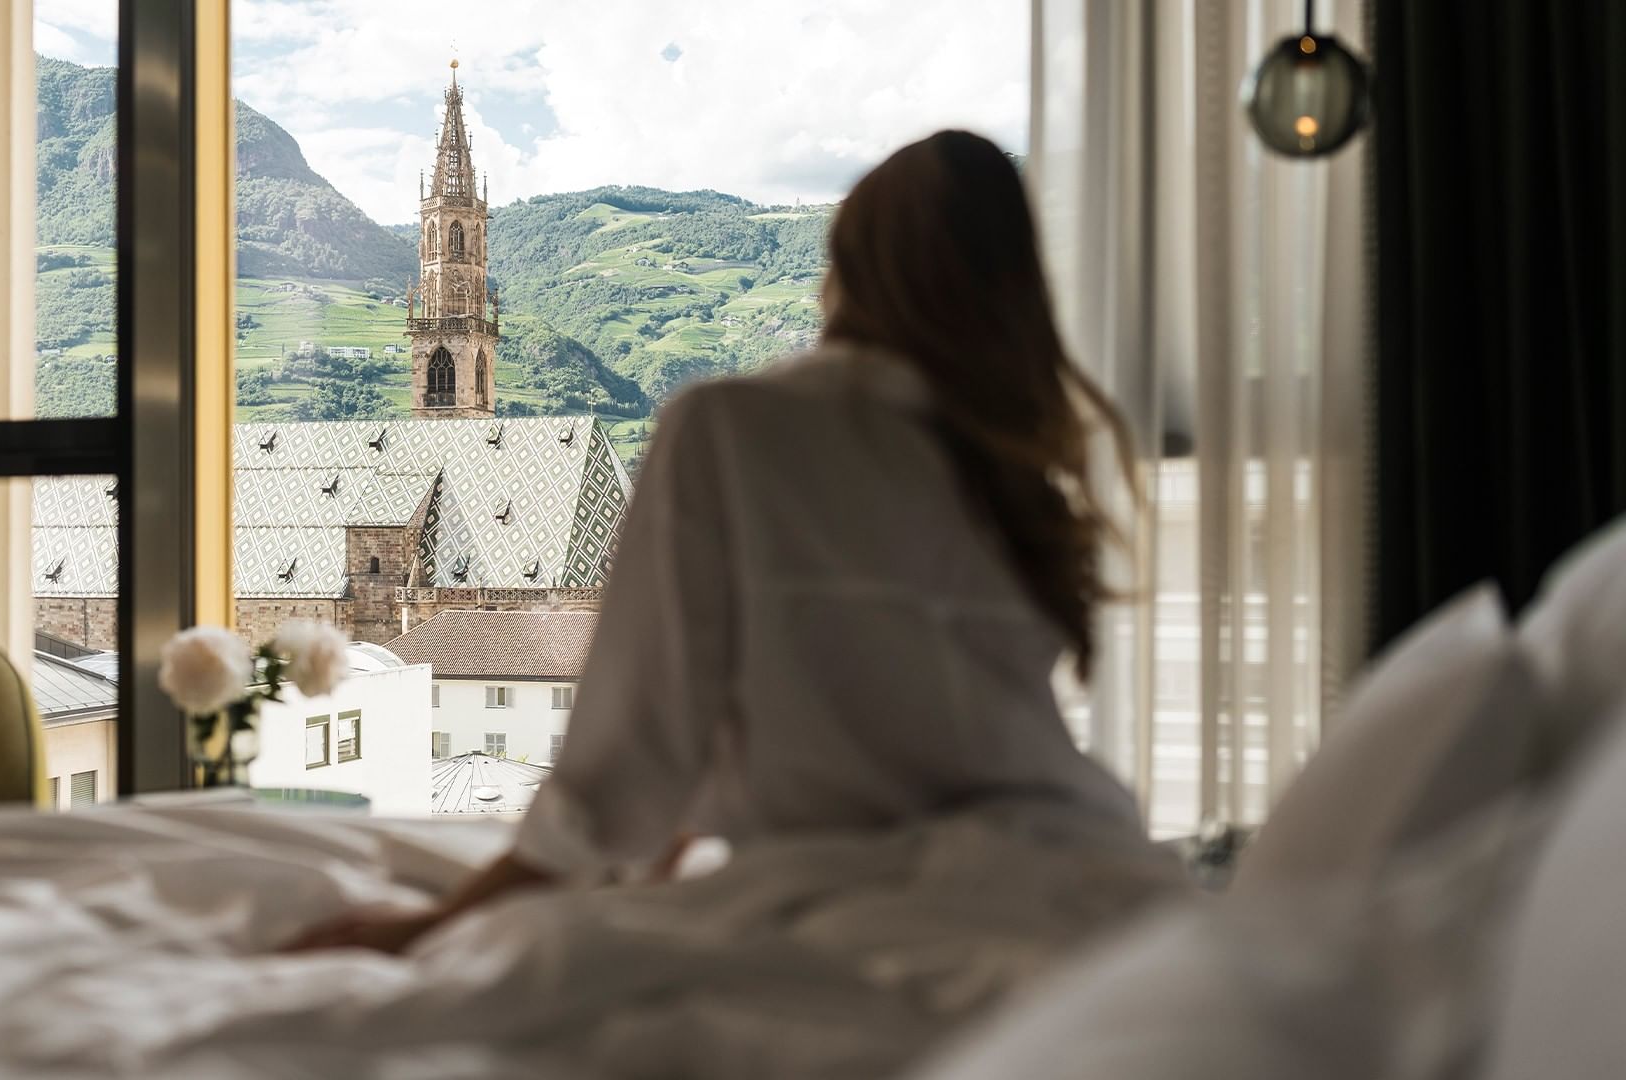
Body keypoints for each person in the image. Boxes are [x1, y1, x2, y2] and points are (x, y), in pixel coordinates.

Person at [288, 129, 1144, 954]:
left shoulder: (731, 424)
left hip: (856, 899)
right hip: (1095, 875)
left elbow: (624, 764)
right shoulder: (1025, 451)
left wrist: (433, 926)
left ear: (846, 267)